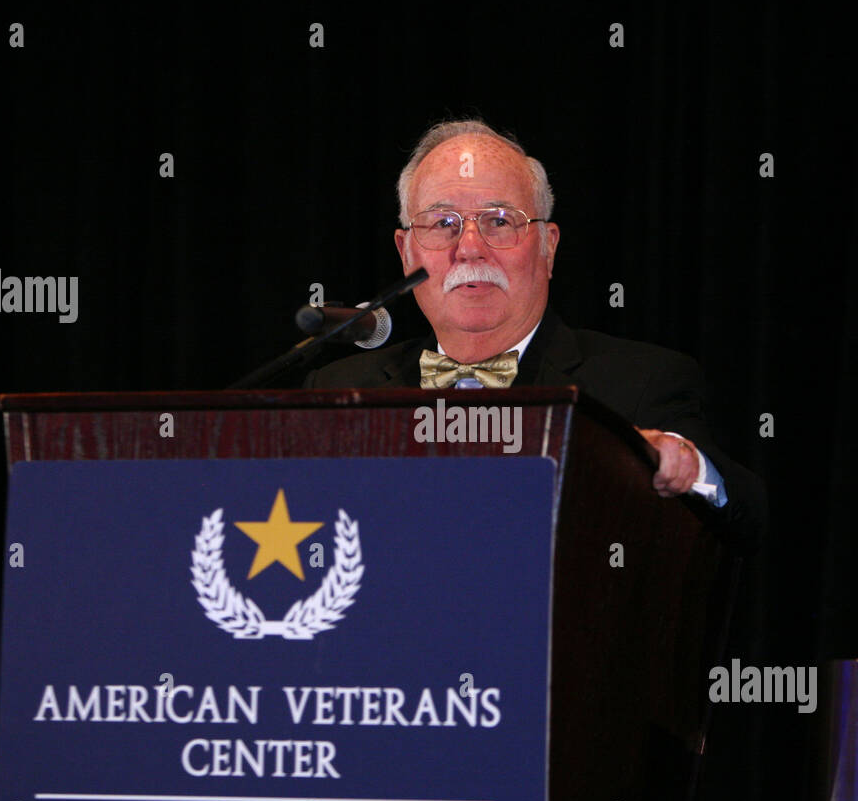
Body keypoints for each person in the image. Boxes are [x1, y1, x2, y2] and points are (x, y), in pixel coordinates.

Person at [304, 119, 764, 550]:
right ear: (406, 252)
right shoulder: (339, 392)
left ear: (548, 246)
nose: (468, 248)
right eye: (443, 224)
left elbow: (747, 523)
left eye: (499, 221)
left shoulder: (640, 383)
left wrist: (687, 466)